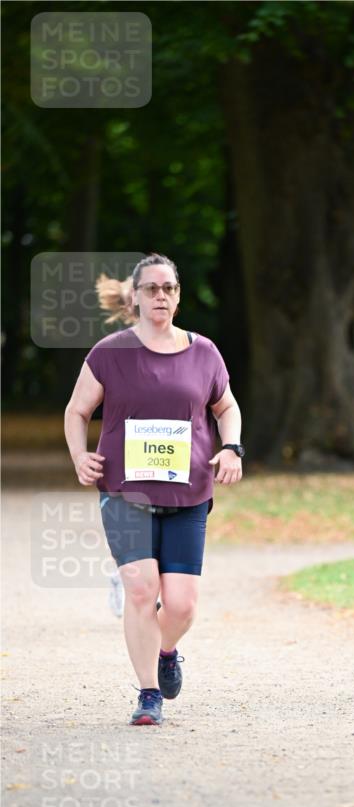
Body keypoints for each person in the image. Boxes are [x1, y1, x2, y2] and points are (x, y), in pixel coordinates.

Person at [64, 253, 243, 725]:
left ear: (178, 297)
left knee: (181, 605)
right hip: (124, 491)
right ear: (136, 297)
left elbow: (226, 407)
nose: (160, 295)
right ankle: (148, 694)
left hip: (188, 492)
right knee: (142, 591)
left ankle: (166, 650)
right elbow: (77, 411)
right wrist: (80, 455)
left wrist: (232, 448)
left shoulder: (204, 352)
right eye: (151, 289)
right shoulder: (110, 353)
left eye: (169, 288)